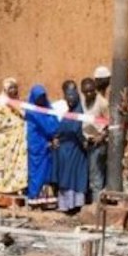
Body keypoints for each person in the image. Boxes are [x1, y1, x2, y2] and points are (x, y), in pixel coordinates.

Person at [52, 81, 89, 214]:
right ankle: (66, 205)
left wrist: (83, 143)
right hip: (65, 150)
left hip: (75, 150)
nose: (70, 99)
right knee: (66, 177)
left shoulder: (78, 111)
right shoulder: (68, 111)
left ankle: (73, 205)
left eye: (73, 96)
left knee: (73, 177)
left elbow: (76, 129)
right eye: (68, 96)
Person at [0, 78, 27, 206]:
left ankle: (16, 201)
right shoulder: (0, 105)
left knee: (17, 172)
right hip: (5, 146)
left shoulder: (21, 104)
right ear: (5, 90)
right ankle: (3, 201)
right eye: (10, 88)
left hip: (18, 146)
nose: (13, 90)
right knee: (4, 171)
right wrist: (13, 125)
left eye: (15, 87)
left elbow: (25, 118)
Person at [24, 85, 58, 208]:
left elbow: (54, 123)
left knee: (46, 174)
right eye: (39, 97)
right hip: (37, 147)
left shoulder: (48, 108)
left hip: (47, 148)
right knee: (36, 174)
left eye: (43, 97)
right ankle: (34, 198)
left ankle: (46, 200)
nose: (41, 100)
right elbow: (50, 127)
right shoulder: (33, 112)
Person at [81, 77, 109, 203]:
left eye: (91, 91)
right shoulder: (82, 102)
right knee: (87, 175)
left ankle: (97, 205)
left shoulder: (102, 103)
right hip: (85, 142)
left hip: (98, 144)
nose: (88, 94)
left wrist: (101, 136)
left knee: (96, 176)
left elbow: (110, 123)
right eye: (85, 92)